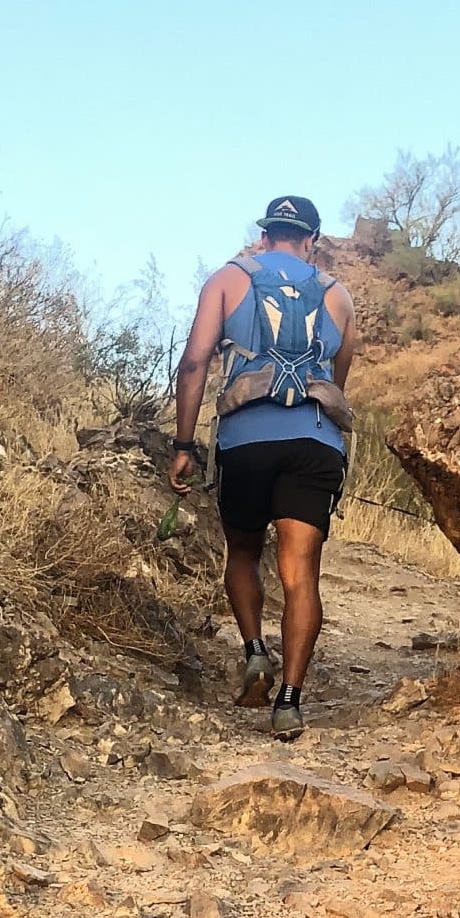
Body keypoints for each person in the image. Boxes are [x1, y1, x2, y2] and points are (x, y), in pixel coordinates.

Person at [168, 193, 357, 741]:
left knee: (244, 552)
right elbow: (337, 380)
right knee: (301, 573)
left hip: (246, 440)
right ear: (312, 240)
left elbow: (194, 363)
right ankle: (290, 703)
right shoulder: (339, 295)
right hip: (314, 442)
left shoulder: (228, 279)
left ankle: (255, 651)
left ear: (265, 233)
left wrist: (184, 444)